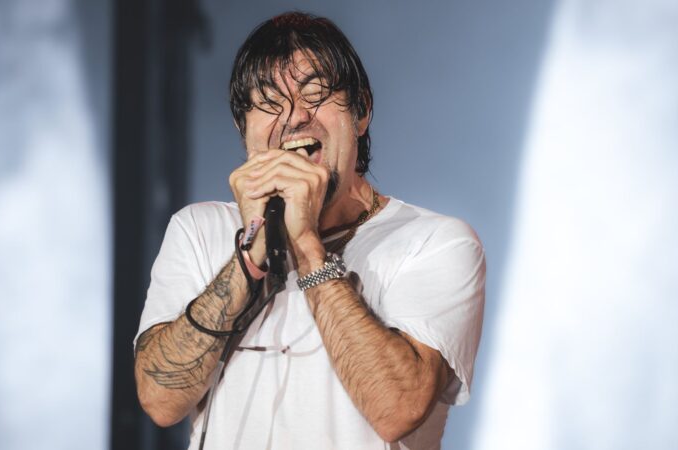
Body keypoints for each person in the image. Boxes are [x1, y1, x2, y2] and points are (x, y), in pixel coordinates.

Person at [133, 11, 485, 450]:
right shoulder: (198, 230)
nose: (294, 117)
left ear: (361, 113)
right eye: (267, 101)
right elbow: (160, 401)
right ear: (244, 132)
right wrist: (251, 254)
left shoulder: (434, 242)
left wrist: (306, 245)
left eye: (315, 93)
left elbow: (398, 409)